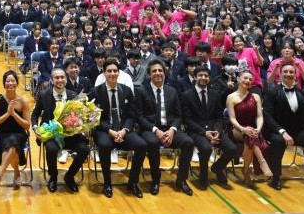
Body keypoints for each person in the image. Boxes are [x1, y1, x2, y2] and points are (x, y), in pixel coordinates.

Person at [262, 61, 304, 191]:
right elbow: (267, 116)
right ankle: (275, 177)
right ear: (280, 74)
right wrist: (282, 132)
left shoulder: (302, 92)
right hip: (277, 130)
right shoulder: (271, 92)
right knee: (278, 142)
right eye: (285, 72)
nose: (288, 74)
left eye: (291, 72)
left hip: (298, 131)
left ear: (295, 74)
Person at [135, 59, 195, 196]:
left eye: (160, 70)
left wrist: (172, 130)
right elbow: (139, 117)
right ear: (149, 74)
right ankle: (155, 180)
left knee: (188, 142)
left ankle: (181, 180)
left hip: (170, 128)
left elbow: (179, 116)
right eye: (154, 71)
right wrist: (156, 131)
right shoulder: (141, 91)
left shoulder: (172, 91)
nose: (157, 73)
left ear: (164, 72)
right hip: (150, 129)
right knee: (152, 143)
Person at [92, 60, 147, 198]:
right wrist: (110, 130)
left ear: (119, 73)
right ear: (104, 73)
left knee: (141, 145)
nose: (112, 73)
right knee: (104, 145)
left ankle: (133, 183)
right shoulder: (96, 91)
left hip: (124, 129)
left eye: (115, 71)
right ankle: (107, 183)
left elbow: (132, 115)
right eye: (109, 71)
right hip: (105, 130)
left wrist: (124, 130)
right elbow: (94, 118)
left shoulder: (127, 90)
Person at [31, 67, 89, 194]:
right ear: (52, 80)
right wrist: (35, 129)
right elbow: (34, 115)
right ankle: (53, 177)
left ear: (66, 79)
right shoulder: (44, 94)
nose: (60, 80)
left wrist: (81, 125)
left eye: (62, 77)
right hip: (51, 134)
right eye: (56, 78)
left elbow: (80, 116)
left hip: (70, 134)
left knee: (84, 149)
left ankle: (70, 176)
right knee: (51, 149)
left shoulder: (73, 95)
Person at [182, 65, 237, 189]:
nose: (203, 78)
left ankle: (217, 168)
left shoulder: (215, 94)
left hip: (215, 129)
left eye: (206, 76)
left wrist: (217, 132)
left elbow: (219, 117)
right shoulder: (186, 95)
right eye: (200, 75)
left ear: (209, 78)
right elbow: (187, 120)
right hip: (196, 131)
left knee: (232, 149)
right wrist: (204, 133)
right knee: (206, 148)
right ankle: (203, 175)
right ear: (195, 77)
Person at [226, 70, 271, 187]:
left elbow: (260, 116)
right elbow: (232, 118)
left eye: (250, 79)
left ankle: (246, 170)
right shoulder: (231, 97)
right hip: (236, 128)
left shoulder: (256, 96)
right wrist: (242, 129)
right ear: (238, 79)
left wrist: (258, 129)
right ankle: (262, 162)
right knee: (249, 134)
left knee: (250, 137)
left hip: (251, 129)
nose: (248, 81)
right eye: (245, 78)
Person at [0, 70, 31, 189]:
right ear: (4, 83)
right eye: (7, 81)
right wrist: (7, 114)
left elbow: (27, 126)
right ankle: (16, 171)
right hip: (2, 133)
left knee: (12, 144)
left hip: (19, 133)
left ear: (17, 83)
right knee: (12, 147)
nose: (10, 83)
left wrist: (14, 114)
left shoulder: (23, 101)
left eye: (13, 81)